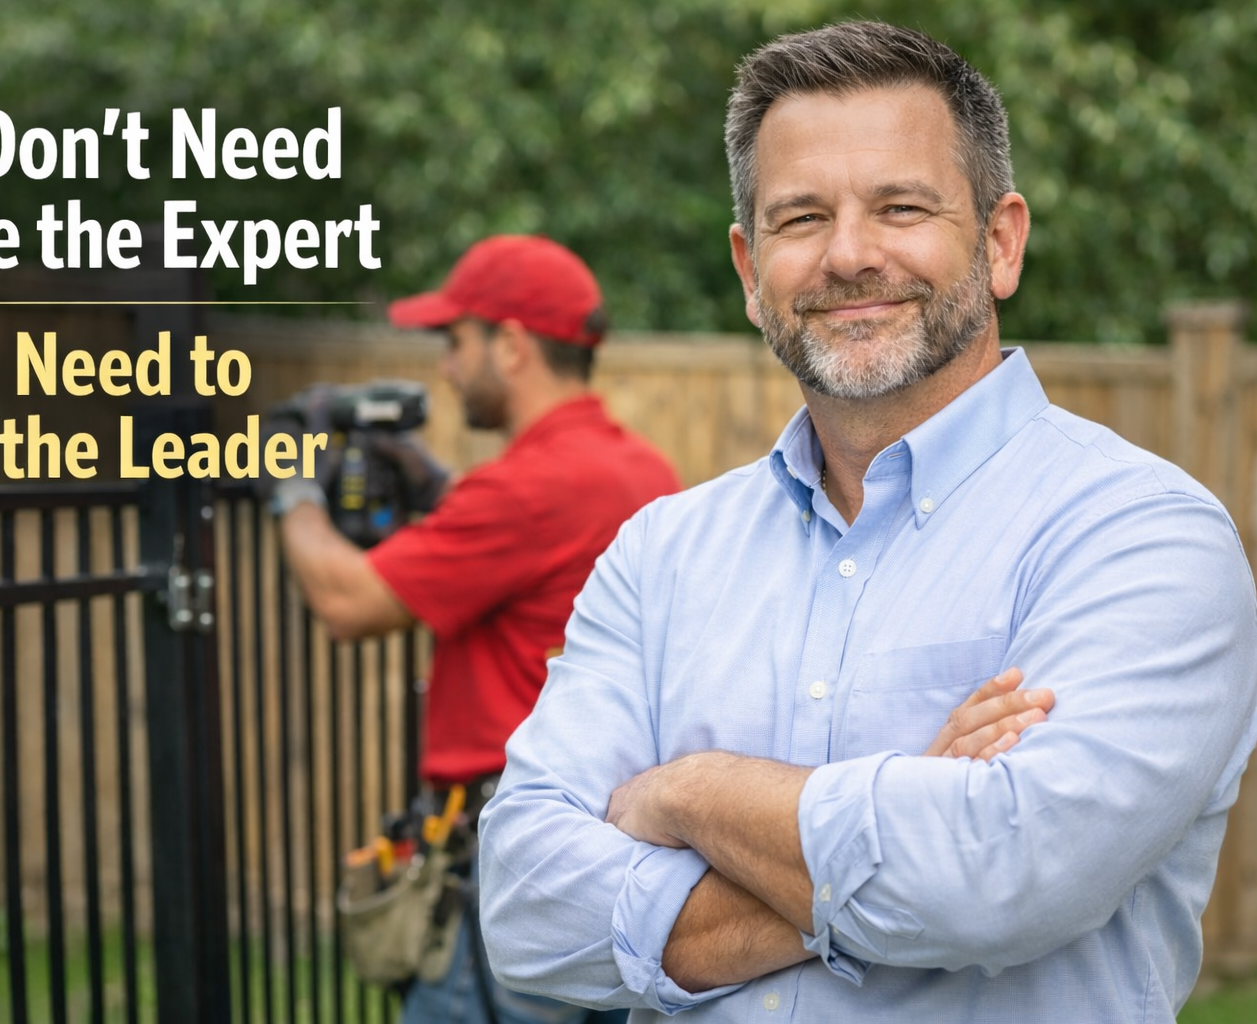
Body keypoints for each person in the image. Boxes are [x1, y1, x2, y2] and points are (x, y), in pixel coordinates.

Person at [477, 20, 1257, 1024]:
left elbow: (1002, 874)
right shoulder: (661, 554)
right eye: (800, 217)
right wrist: (912, 804)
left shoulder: (1141, 538)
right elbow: (525, 907)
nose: (850, 255)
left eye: (901, 207)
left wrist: (693, 794)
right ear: (750, 269)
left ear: (1001, 240)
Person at [267, 234, 681, 1024]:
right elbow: (530, 547)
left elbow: (346, 602)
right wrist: (437, 487)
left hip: (519, 848)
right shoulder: (640, 469)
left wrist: (293, 487)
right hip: (615, 840)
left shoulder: (520, 489)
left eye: (456, 342)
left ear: (513, 344)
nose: (448, 369)